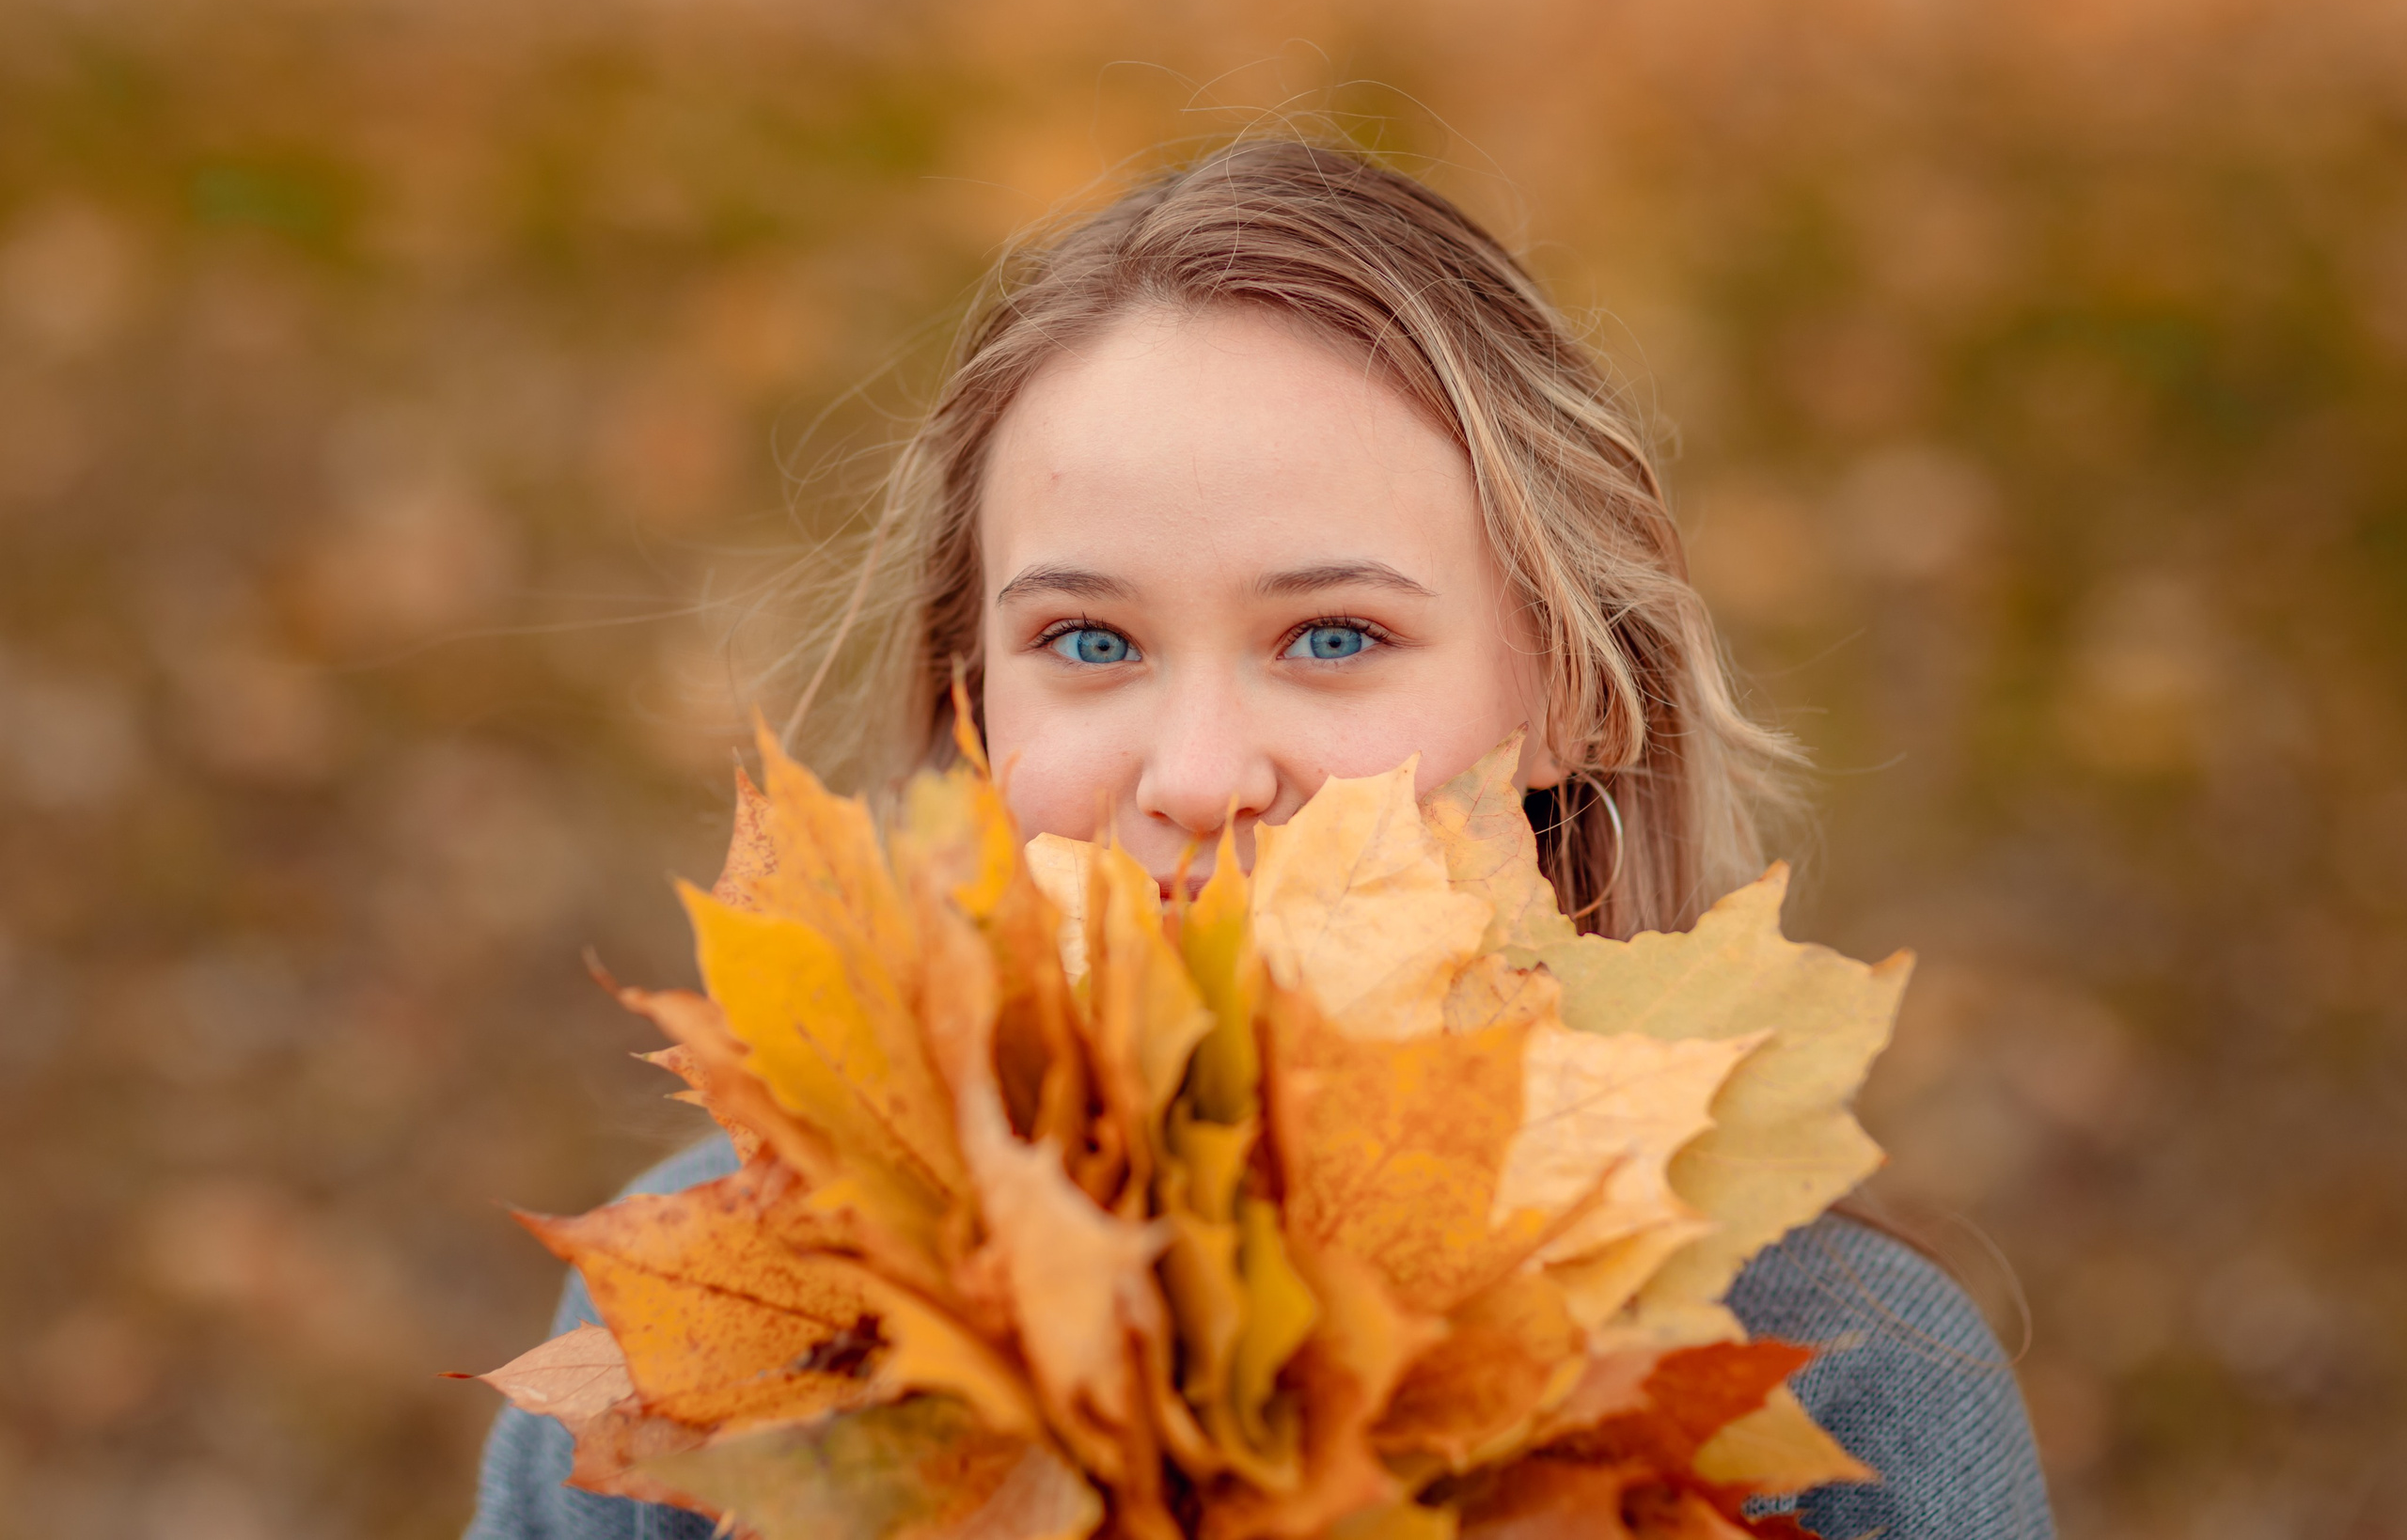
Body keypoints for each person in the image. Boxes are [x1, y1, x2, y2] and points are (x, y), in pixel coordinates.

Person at [465, 140, 2054, 1540]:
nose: (1203, 774)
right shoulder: (717, 1320)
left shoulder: (1834, 1383)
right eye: (1090, 644)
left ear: (1571, 692)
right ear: (970, 705)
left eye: (1333, 637)